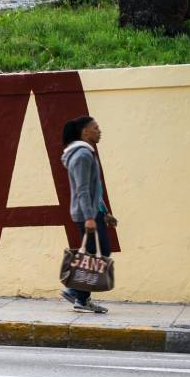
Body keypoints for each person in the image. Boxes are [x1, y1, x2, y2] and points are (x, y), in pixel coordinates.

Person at [60, 116, 118, 314]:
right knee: (98, 254)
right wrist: (90, 217)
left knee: (94, 255)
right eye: (95, 128)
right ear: (85, 132)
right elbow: (82, 190)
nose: (99, 131)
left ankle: (80, 297)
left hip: (92, 212)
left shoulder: (86, 154)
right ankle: (76, 292)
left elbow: (95, 189)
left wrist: (105, 212)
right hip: (87, 214)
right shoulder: (82, 155)